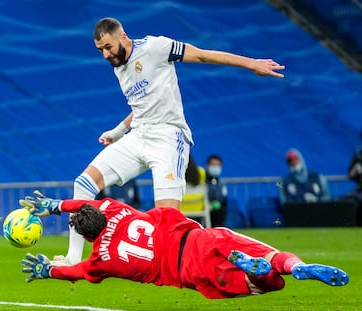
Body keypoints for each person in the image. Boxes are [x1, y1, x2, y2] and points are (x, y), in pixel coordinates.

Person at [61, 17, 286, 266]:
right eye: (100, 50)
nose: (105, 54)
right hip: (138, 136)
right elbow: (143, 105)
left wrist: (251, 63)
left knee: (168, 225)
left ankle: (232, 254)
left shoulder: (155, 47)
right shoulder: (119, 67)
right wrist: (117, 132)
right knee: (83, 184)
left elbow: (201, 56)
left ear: (122, 36)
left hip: (168, 137)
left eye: (108, 47)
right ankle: (72, 258)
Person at [19, 191, 348, 299]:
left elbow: (76, 270)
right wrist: (56, 205)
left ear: (89, 238)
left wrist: (49, 270)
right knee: (274, 258)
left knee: (268, 284)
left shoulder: (102, 259)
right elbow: (87, 205)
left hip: (189, 271)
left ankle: (256, 274)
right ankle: (298, 266)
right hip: (202, 239)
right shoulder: (115, 208)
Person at [205, 154, 227, 227]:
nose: (215, 167)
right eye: (213, 165)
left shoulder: (221, 184)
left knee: (222, 211)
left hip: (217, 214)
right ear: (207, 165)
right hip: (204, 210)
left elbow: (224, 201)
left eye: (218, 165)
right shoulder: (202, 181)